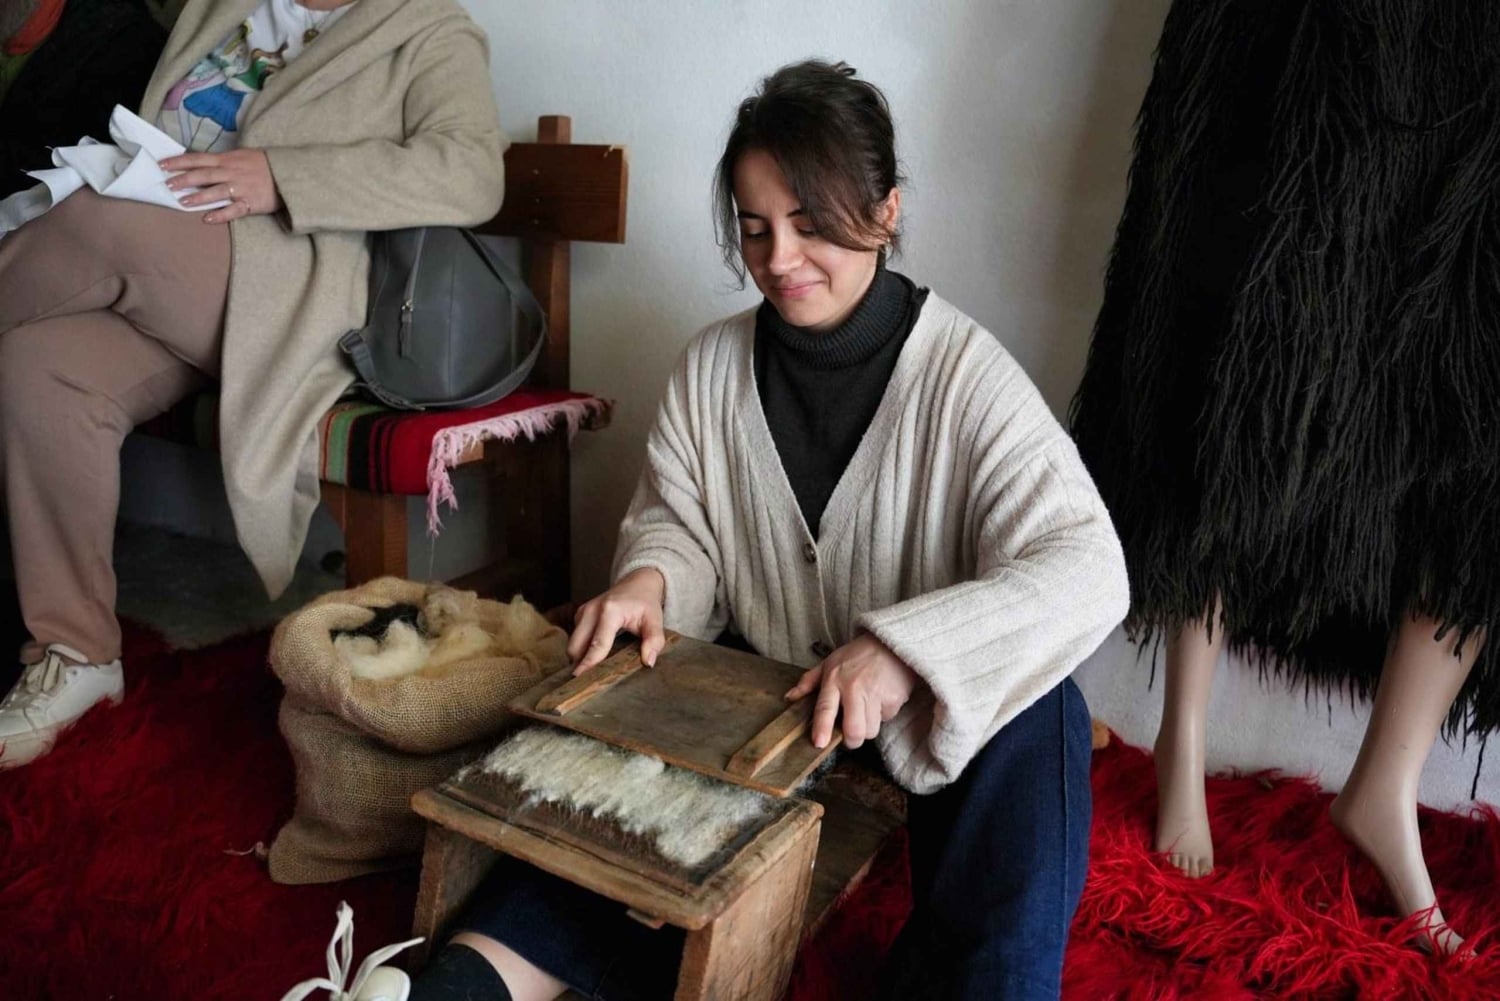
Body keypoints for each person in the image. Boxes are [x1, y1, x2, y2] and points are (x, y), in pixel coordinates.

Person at [405, 59, 1129, 1001]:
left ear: (888, 212)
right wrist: (648, 584)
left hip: (926, 722)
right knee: (610, 752)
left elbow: (1090, 564)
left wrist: (904, 653)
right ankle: (463, 981)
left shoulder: (965, 378)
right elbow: (679, 520)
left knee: (1042, 715)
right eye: (755, 228)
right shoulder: (711, 368)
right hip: (769, 694)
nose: (780, 257)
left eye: (812, 224)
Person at [0, 0, 506, 768]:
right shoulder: (223, 3)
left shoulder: (428, 27)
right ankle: (77, 654)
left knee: (94, 220)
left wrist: (279, 176)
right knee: (38, 371)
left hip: (281, 287)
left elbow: (472, 172)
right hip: (163, 274)